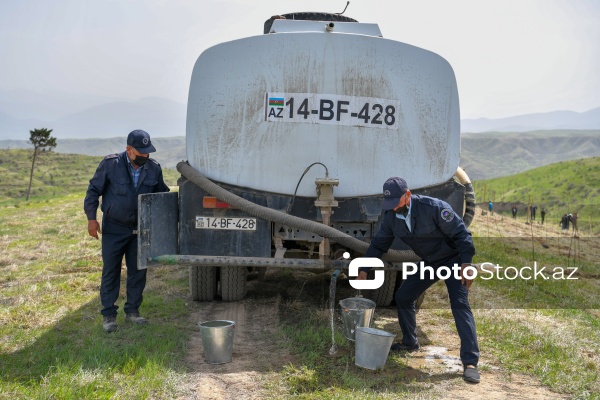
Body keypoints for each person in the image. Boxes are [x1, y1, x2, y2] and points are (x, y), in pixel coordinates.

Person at [356, 177, 480, 383]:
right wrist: (363, 269)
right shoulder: (391, 217)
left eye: (397, 201)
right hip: (431, 262)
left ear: (407, 195)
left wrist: (466, 264)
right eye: (390, 203)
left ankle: (470, 362)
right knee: (403, 296)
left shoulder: (434, 208)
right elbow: (379, 245)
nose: (394, 206)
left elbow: (462, 234)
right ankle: (410, 342)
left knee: (459, 305)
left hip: (453, 260)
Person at [84, 130, 170, 333]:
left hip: (141, 229)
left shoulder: (153, 168)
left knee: (138, 272)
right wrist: (91, 218)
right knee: (111, 271)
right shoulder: (110, 165)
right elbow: (93, 191)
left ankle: (132, 311)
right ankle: (109, 316)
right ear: (128, 150)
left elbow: (162, 195)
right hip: (114, 228)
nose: (145, 156)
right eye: (141, 152)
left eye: (147, 152)